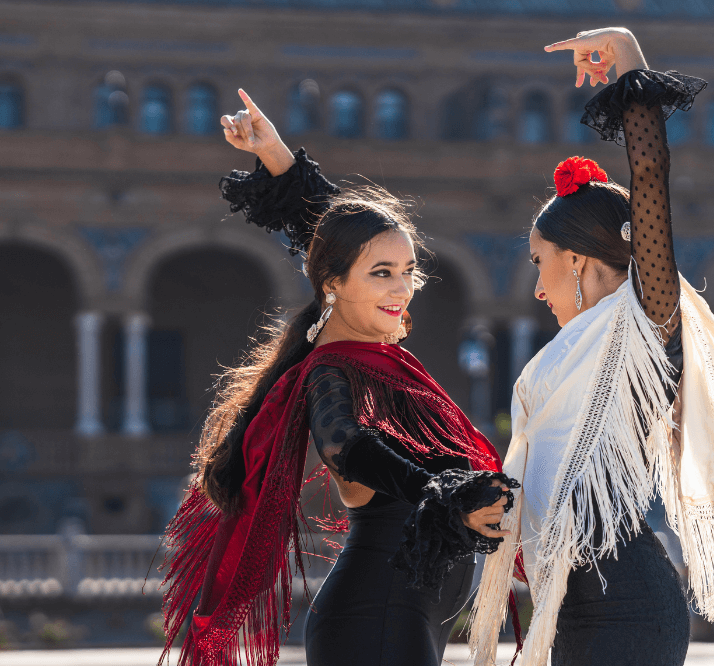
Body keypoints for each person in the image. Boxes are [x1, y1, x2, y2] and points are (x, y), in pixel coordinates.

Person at [157, 89, 520, 666]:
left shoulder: (377, 360)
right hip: (375, 622)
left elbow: (339, 233)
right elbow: (348, 447)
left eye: (407, 271)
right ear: (333, 283)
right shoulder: (333, 370)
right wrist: (441, 492)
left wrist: (277, 156)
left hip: (400, 619)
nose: (401, 289)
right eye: (382, 274)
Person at [468, 28, 714, 666]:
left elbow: (651, 179)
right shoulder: (574, 344)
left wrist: (629, 65)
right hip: (574, 598)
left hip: (626, 601)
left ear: (577, 260)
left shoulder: (642, 321)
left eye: (539, 262)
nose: (536, 284)